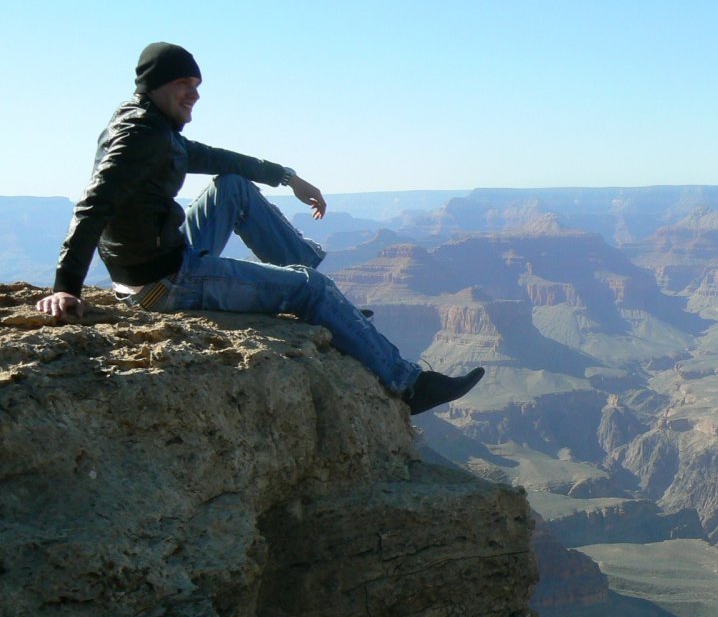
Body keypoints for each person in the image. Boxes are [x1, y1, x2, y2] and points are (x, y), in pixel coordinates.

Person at [37, 41, 482, 415]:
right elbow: (93, 205)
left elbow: (218, 159)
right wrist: (66, 285)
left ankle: (329, 302)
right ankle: (409, 386)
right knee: (310, 287)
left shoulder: (153, 126)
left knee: (232, 187)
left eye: (197, 86)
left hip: (163, 256)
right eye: (183, 85)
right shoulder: (141, 135)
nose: (193, 94)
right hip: (164, 283)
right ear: (155, 85)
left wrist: (288, 177)